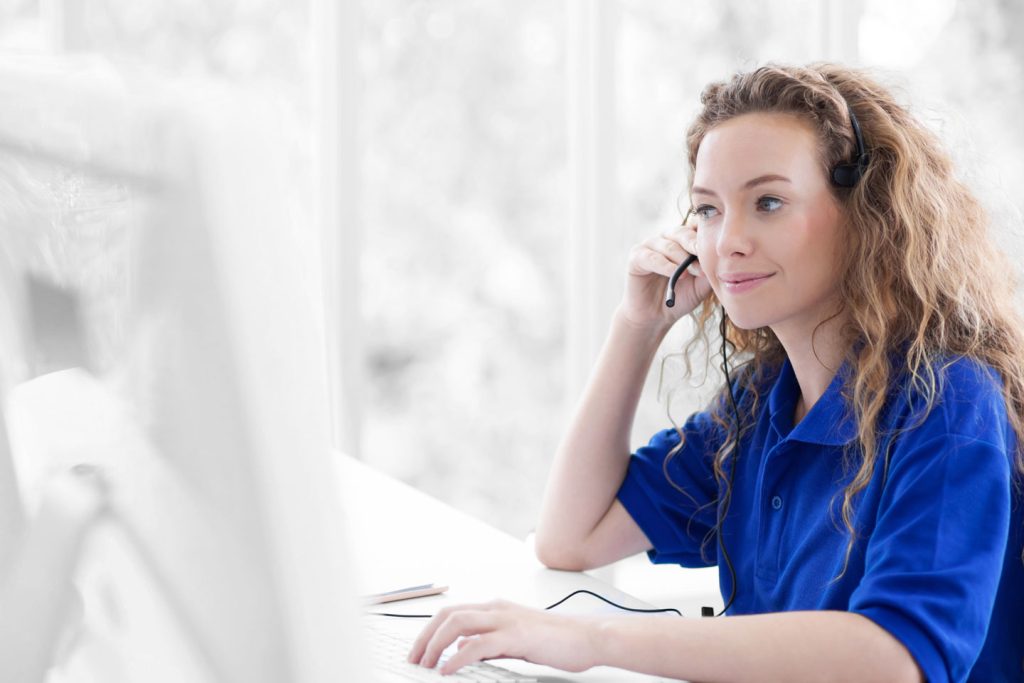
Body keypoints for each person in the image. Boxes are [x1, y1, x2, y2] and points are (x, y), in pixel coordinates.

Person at [408, 63, 1024, 682]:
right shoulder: (760, 404)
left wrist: (594, 639)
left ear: (867, 215)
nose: (726, 240)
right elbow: (571, 537)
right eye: (706, 209)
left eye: (769, 202)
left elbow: (894, 658)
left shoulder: (946, 401)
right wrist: (637, 326)